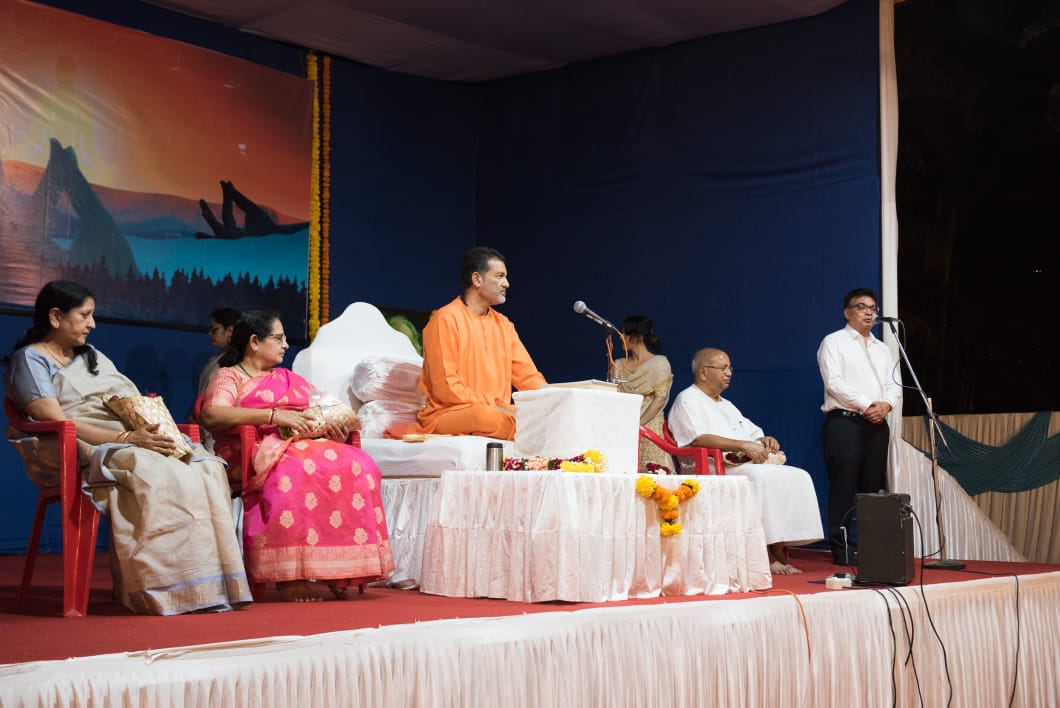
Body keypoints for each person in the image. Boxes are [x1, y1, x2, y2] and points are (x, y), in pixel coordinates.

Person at [5, 281, 251, 615]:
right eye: (85, 315)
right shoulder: (31, 359)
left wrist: (148, 431)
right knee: (151, 469)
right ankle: (163, 588)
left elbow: (126, 402)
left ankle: (208, 585)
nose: (92, 324)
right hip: (74, 446)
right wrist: (124, 438)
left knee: (205, 465)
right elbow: (54, 419)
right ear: (55, 316)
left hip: (129, 437)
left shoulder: (92, 357)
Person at [200, 310, 394, 602]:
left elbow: (323, 408)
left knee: (359, 464)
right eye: (278, 338)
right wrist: (274, 415)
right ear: (254, 342)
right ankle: (289, 575)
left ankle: (342, 569)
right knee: (295, 470)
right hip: (252, 449)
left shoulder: (288, 378)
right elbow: (213, 413)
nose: (286, 344)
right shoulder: (230, 376)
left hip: (299, 444)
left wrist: (336, 423)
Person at [669, 348, 824, 574]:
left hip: (741, 464)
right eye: (723, 368)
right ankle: (766, 553)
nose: (729, 373)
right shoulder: (688, 399)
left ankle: (780, 545)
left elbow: (751, 433)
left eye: (730, 368)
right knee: (763, 479)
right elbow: (698, 438)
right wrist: (741, 445)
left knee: (799, 475)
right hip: (713, 468)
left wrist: (764, 440)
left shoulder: (726, 404)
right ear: (703, 372)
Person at [406, 246, 546, 440]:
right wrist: (495, 406)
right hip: (448, 413)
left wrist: (551, 401)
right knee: (485, 416)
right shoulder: (445, 319)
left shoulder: (504, 325)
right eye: (499, 276)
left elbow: (528, 377)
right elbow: (446, 387)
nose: (507, 284)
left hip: (499, 412)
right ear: (477, 279)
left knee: (544, 419)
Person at [817, 288, 902, 565]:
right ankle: (842, 552)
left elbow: (894, 385)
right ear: (848, 312)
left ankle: (871, 550)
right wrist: (868, 405)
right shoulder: (834, 342)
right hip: (846, 422)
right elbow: (835, 383)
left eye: (873, 308)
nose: (869, 312)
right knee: (844, 488)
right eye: (862, 307)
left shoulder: (882, 348)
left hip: (878, 425)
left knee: (873, 490)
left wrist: (886, 405)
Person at [610, 315, 673, 472]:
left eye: (624, 333)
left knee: (654, 481)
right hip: (623, 428)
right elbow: (612, 397)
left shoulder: (660, 362)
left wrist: (638, 426)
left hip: (650, 427)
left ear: (636, 336)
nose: (620, 337)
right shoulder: (618, 364)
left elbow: (660, 399)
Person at [196, 180, 309, 239]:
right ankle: (230, 192)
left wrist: (209, 217)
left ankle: (230, 192)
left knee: (228, 225)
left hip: (256, 232)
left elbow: (222, 224)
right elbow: (222, 224)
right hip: (260, 231)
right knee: (228, 224)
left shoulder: (225, 235)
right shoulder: (226, 235)